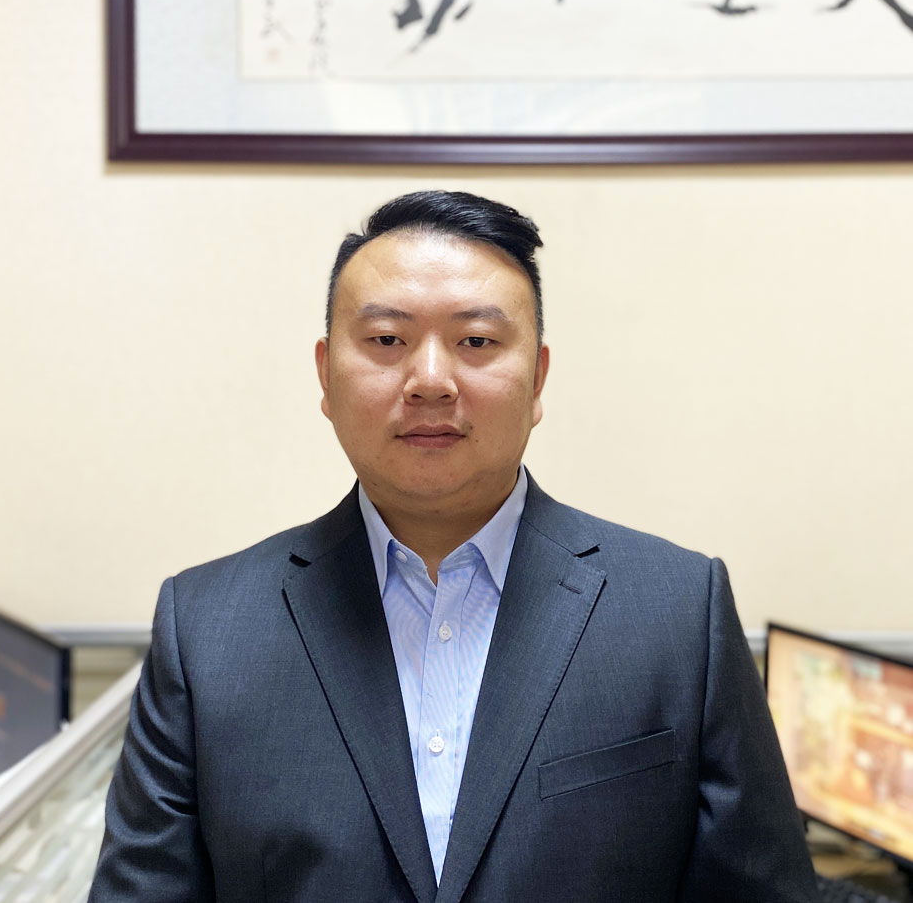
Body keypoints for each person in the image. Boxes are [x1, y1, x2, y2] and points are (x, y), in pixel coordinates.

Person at [89, 190, 820, 902]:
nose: (430, 381)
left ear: (537, 378)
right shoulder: (207, 628)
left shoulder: (678, 611)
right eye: (387, 341)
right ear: (325, 376)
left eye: (476, 342)